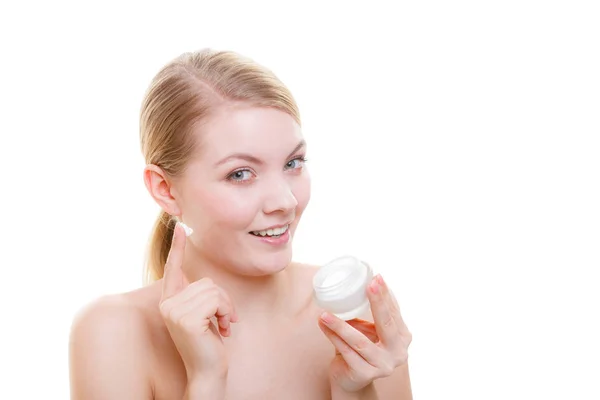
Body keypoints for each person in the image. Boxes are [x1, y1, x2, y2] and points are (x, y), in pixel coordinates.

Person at [68, 48, 413, 399]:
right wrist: (206, 380)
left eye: (293, 163)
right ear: (166, 189)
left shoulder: (354, 310)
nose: (285, 202)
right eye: (240, 174)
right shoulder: (113, 333)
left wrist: (354, 390)